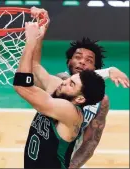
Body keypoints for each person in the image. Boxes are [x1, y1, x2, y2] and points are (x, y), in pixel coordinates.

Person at [29, 6, 129, 169]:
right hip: (43, 156)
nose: (82, 62)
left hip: (69, 159)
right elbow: (34, 67)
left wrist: (72, 166)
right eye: (77, 57)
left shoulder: (101, 102)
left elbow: (92, 140)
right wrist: (40, 30)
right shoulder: (60, 82)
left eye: (89, 60)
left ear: (94, 70)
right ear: (69, 62)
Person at [13, 22, 106, 168]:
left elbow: (22, 86)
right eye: (69, 79)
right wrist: (39, 37)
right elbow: (35, 66)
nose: (64, 82)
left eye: (71, 84)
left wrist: (30, 41)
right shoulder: (62, 90)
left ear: (80, 98)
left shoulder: (69, 111)